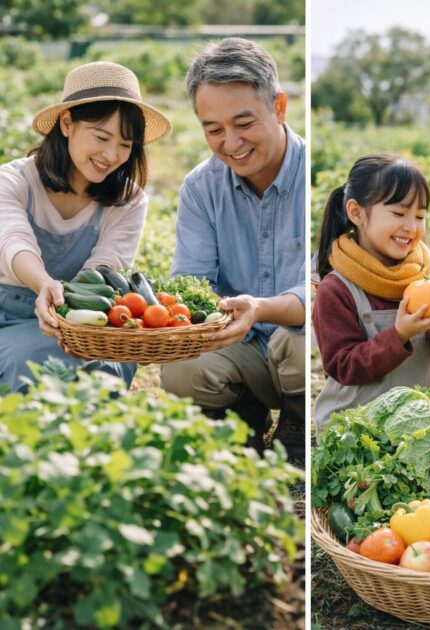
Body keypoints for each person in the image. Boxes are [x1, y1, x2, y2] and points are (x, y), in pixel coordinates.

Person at [160, 38, 306, 464]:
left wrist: (262, 308)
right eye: (213, 129)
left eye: (244, 122)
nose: (231, 142)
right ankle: (242, 412)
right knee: (181, 368)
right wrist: (214, 315)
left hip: (296, 344)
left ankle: (297, 418)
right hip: (237, 341)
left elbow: (321, 286)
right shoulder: (201, 188)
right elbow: (193, 282)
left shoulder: (316, 177)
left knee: (301, 334)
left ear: (279, 106)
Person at [0, 61, 170, 394]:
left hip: (76, 319)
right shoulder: (14, 181)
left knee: (110, 363)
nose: (112, 154)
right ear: (67, 123)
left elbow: (103, 273)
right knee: (34, 366)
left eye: (126, 144)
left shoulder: (128, 200)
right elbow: (13, 242)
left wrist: (66, 310)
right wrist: (44, 284)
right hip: (7, 314)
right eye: (102, 136)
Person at [312, 153, 430, 437]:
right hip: (359, 428)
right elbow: (343, 367)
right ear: (356, 212)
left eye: (420, 216)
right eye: (398, 213)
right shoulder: (337, 289)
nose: (411, 227)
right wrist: (399, 334)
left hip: (423, 425)